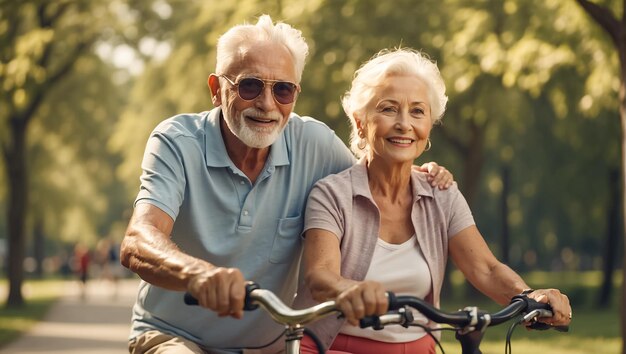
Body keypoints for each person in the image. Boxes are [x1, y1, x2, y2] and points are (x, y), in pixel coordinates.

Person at [120, 15, 453, 354]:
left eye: (282, 89)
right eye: (249, 86)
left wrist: (420, 173)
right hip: (174, 337)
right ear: (216, 90)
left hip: (272, 347)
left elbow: (374, 187)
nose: (266, 104)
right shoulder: (176, 141)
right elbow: (138, 241)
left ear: (295, 94)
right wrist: (198, 275)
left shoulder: (316, 145)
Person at [293, 48, 573, 354]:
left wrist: (530, 296)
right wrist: (354, 291)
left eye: (417, 111)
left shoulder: (441, 193)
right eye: (388, 109)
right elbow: (321, 276)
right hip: (332, 346)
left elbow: (486, 269)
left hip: (418, 346)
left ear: (428, 127)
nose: (404, 123)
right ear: (360, 122)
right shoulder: (331, 194)